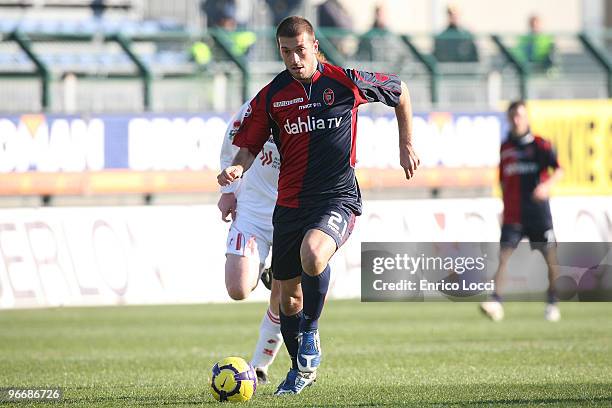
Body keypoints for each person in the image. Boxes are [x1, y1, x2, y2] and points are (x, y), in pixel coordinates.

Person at [218, 16, 419, 395]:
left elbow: (401, 90)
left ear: (315, 47)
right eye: (285, 52)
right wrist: (235, 169)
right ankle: (300, 370)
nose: (294, 59)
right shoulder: (272, 95)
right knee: (288, 297)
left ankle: (311, 334)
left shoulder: (344, 81)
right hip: (289, 206)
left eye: (300, 50)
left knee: (314, 254)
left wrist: (405, 142)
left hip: (337, 198)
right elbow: (248, 147)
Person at [218, 101, 283, 384]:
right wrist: (229, 191)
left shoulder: (313, 110)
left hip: (293, 213)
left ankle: (259, 365)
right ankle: (265, 271)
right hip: (253, 211)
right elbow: (230, 143)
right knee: (238, 288)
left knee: (286, 293)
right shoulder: (256, 107)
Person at [480, 100, 564, 322]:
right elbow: (503, 181)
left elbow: (559, 169)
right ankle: (496, 302)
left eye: (520, 115)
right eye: (513, 116)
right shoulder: (505, 147)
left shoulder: (540, 145)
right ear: (509, 119)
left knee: (550, 259)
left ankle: (553, 302)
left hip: (538, 214)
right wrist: (503, 207)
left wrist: (546, 186)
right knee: (504, 257)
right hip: (513, 215)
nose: (516, 120)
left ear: (526, 118)